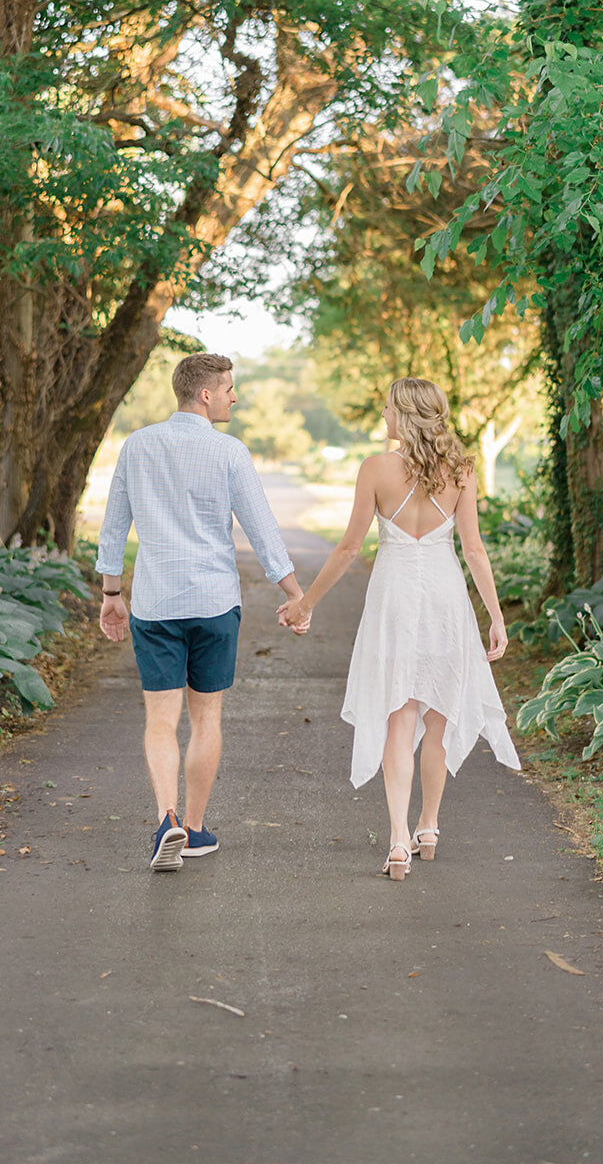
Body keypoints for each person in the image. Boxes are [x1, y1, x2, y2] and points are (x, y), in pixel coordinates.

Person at [279, 376, 520, 880]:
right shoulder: (461, 470)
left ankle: (396, 841)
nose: (383, 416)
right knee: (438, 717)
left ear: (406, 414)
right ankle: (427, 826)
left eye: (388, 408)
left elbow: (349, 549)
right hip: (445, 599)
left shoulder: (375, 470)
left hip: (393, 600)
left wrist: (306, 604)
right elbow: (473, 550)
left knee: (399, 714)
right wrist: (495, 617)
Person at [97, 352, 308, 872]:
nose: (235, 396)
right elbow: (261, 527)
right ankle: (193, 829)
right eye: (229, 387)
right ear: (206, 394)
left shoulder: (138, 446)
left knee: (161, 720)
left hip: (157, 602)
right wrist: (293, 592)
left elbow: (114, 523)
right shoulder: (230, 452)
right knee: (206, 716)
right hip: (214, 603)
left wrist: (111, 594)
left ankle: (165, 819)